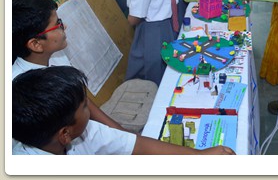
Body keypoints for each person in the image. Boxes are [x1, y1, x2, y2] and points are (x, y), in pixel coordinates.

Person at [12, 66, 235, 155]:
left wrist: (200, 155)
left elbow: (137, 144)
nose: (91, 110)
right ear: (64, 133)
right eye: (85, 107)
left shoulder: (80, 133)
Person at [12, 0, 127, 132]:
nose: (64, 26)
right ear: (36, 44)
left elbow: (82, 100)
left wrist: (119, 131)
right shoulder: (20, 93)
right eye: (57, 24)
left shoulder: (57, 58)